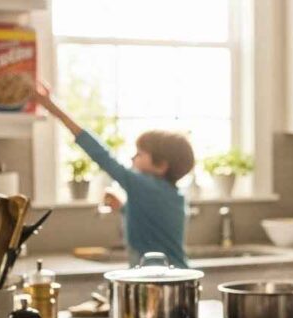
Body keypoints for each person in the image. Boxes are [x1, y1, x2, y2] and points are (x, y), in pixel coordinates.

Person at [33, 82, 192, 269]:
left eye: (140, 153)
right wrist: (124, 208)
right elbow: (154, 224)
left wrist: (52, 107)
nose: (133, 157)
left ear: (161, 165)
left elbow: (101, 154)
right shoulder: (172, 194)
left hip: (159, 279)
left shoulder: (142, 185)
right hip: (178, 275)